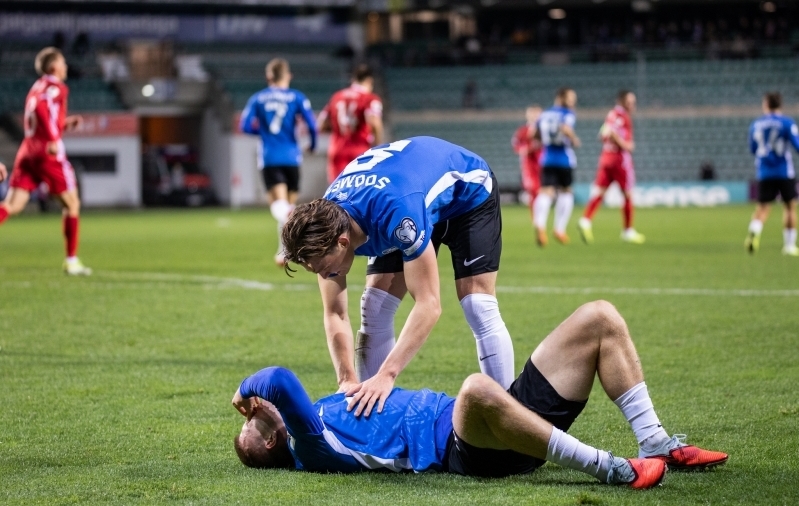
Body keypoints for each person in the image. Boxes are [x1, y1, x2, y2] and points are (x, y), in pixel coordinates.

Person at [231, 300, 728, 488]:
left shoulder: (322, 415)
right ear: (273, 439)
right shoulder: (312, 449)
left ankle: (655, 442)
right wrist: (245, 392)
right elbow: (277, 378)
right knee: (474, 388)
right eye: (253, 421)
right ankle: (609, 468)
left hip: (499, 424)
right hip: (467, 449)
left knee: (599, 318)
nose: (256, 412)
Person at [281, 136, 516, 417]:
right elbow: (335, 314)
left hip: (467, 196)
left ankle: (509, 417)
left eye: (324, 269)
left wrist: (387, 374)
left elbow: (429, 304)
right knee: (375, 306)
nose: (323, 275)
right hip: (405, 195)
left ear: (343, 242)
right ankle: (369, 415)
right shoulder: (326, 224)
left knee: (477, 305)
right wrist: (347, 380)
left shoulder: (396, 216)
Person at [0, 47, 90, 275]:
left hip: (28, 149)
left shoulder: (37, 86)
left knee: (12, 205)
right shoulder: (56, 87)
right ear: (53, 68)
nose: (66, 66)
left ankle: (72, 261)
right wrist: (52, 136)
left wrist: (62, 125)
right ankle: (71, 261)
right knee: (72, 205)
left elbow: (39, 110)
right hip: (46, 153)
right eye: (62, 63)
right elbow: (42, 107)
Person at [240, 58, 318, 267]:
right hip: (292, 157)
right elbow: (312, 124)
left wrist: (263, 132)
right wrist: (313, 145)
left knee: (280, 207)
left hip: (270, 157)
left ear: (268, 77)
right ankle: (285, 252)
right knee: (288, 206)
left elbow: (245, 125)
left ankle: (288, 246)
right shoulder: (297, 97)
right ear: (288, 76)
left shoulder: (258, 98)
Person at [578, 90, 646, 245]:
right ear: (622, 102)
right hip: (620, 160)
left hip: (606, 158)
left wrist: (612, 137)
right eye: (631, 102)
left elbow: (602, 134)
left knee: (600, 192)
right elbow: (617, 137)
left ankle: (585, 220)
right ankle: (628, 231)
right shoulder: (623, 118)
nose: (633, 105)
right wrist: (625, 145)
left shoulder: (611, 115)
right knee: (628, 195)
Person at [745, 91, 799, 256]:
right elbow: (797, 145)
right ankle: (789, 246)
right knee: (790, 207)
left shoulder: (756, 124)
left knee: (762, 208)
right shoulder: (787, 123)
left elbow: (753, 149)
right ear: (780, 104)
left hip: (764, 172)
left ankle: (754, 232)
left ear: (766, 104)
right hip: (784, 171)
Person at [318, 64, 383, 183]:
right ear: (369, 80)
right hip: (360, 150)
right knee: (359, 193)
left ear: (353, 79)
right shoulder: (370, 98)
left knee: (336, 194)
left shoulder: (337, 97)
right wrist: (378, 146)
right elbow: (374, 123)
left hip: (337, 149)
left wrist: (339, 129)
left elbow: (322, 125)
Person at [533, 88, 581, 247]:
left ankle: (540, 225)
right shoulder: (567, 114)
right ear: (561, 97)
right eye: (571, 98)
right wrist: (574, 139)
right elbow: (566, 128)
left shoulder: (544, 114)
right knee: (566, 191)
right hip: (563, 158)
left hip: (546, 158)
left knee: (546, 191)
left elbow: (533, 133)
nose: (573, 102)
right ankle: (559, 229)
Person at [511, 105, 543, 225]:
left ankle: (540, 217)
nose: (535, 116)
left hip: (544, 165)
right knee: (533, 190)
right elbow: (516, 146)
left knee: (542, 191)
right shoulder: (522, 131)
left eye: (537, 114)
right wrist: (526, 149)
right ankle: (535, 219)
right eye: (533, 114)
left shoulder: (544, 130)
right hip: (529, 166)